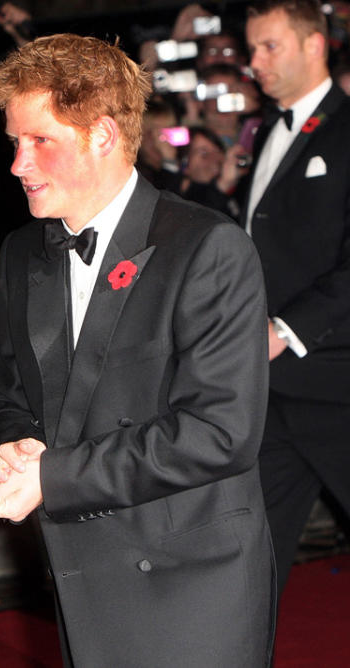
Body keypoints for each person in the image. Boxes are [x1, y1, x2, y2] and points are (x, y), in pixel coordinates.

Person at [0, 34, 274, 666]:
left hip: (195, 582)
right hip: (83, 576)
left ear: (102, 135)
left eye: (40, 140)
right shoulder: (23, 253)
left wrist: (50, 477)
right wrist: (15, 450)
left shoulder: (207, 248)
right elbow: (12, 398)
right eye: (15, 142)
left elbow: (220, 432)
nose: (19, 164)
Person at [242, 0, 350, 602]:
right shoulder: (268, 132)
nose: (253, 62)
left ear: (315, 45)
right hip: (273, 392)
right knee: (252, 560)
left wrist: (284, 329)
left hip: (338, 384)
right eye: (251, 47)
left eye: (269, 47)